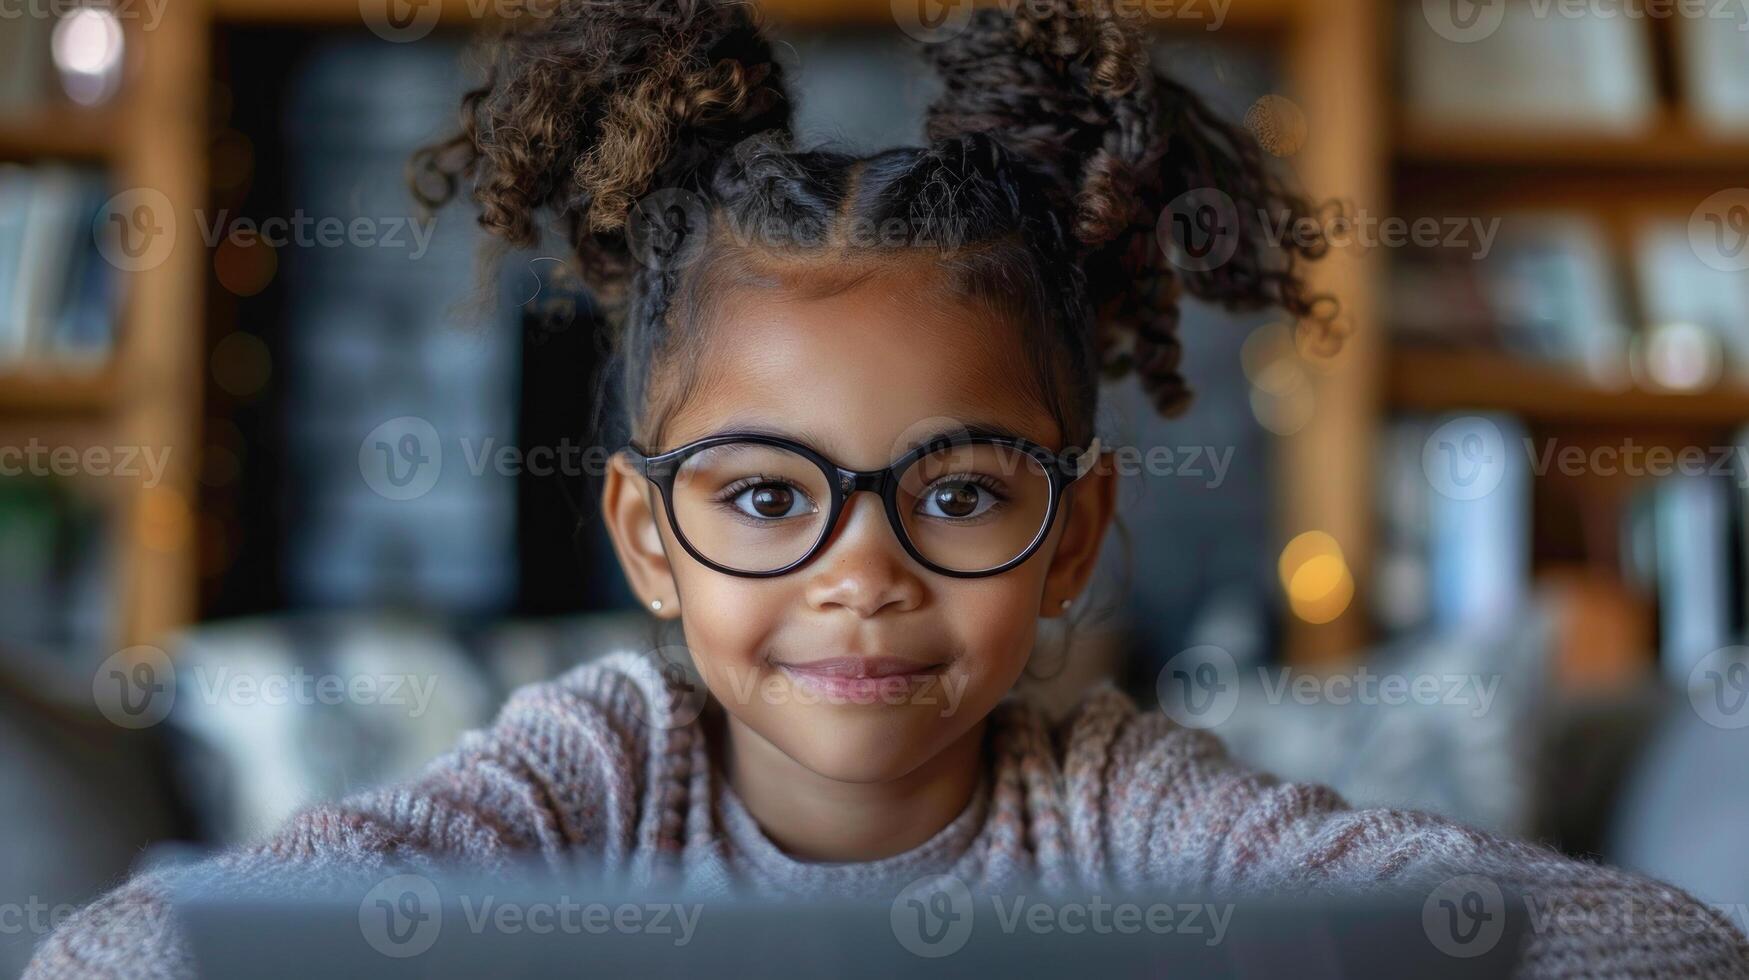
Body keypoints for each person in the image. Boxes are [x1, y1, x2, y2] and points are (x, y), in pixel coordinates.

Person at [28, 1, 1749, 976]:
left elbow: (1668, 949)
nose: (863, 573)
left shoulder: (1121, 808)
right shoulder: (591, 774)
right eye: (767, 500)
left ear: (1070, 532)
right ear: (646, 535)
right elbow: (121, 959)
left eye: (960, 494)